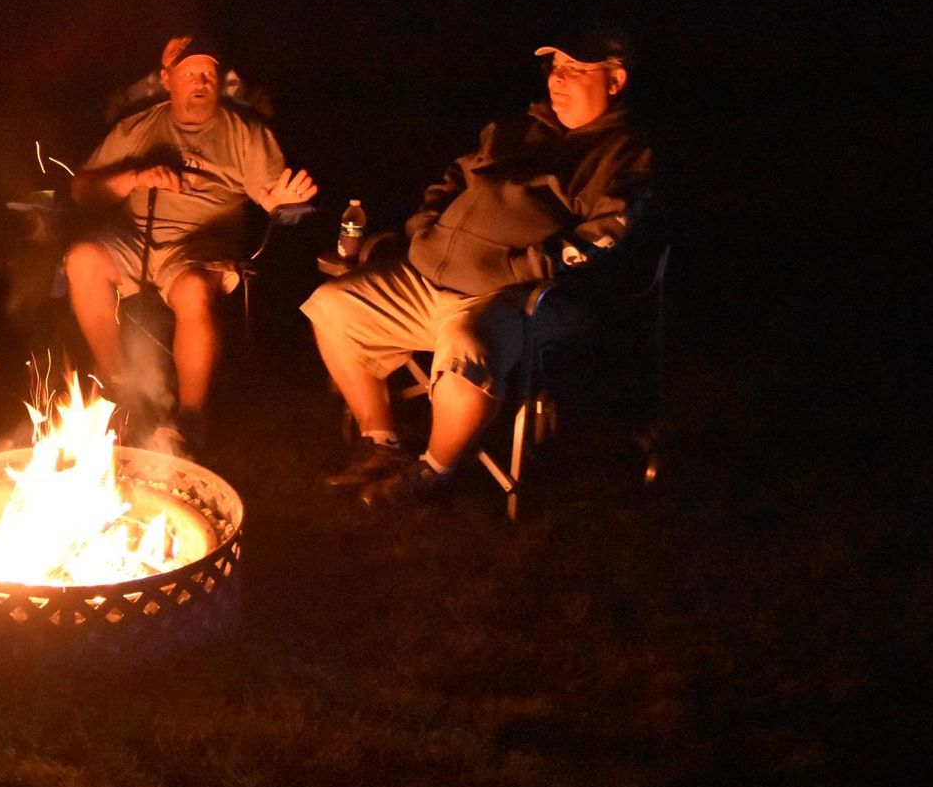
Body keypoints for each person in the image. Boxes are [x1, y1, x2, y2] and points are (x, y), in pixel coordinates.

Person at [303, 26, 654, 508]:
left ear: (615, 81)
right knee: (333, 306)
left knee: (467, 361)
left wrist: (520, 268)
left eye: (575, 69)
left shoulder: (623, 154)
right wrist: (424, 225)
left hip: (503, 292)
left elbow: (606, 237)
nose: (558, 79)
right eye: (555, 68)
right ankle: (381, 443)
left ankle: (432, 472)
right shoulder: (515, 130)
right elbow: (452, 178)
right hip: (428, 272)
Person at [65, 34, 318, 452]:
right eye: (189, 73)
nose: (200, 81)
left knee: (195, 291)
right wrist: (135, 177)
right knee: (83, 259)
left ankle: (189, 417)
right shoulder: (140, 126)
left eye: (208, 73)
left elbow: (271, 194)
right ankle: (116, 385)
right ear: (168, 80)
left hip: (201, 245)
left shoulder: (245, 133)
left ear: (219, 81)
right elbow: (83, 189)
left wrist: (280, 203)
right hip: (138, 237)